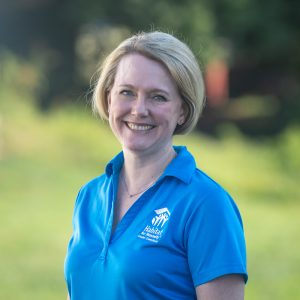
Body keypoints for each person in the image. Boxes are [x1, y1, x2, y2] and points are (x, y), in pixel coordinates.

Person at [64, 31, 248, 300]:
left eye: (158, 97)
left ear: (182, 110)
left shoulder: (206, 204)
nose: (139, 110)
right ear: (109, 98)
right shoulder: (89, 196)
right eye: (127, 92)